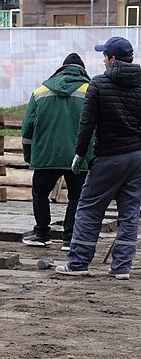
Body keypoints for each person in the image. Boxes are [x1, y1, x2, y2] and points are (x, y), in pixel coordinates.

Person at [57, 37, 141, 278]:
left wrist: (79, 154)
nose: (102, 60)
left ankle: (78, 263)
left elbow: (87, 125)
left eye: (104, 56)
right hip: (136, 158)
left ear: (112, 58)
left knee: (89, 208)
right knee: (129, 212)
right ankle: (122, 268)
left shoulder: (98, 84)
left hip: (109, 157)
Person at [21, 53, 92, 250]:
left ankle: (42, 234)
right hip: (80, 156)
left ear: (61, 69)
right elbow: (97, 127)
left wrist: (29, 155)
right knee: (77, 197)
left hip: (46, 156)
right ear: (82, 71)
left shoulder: (40, 92)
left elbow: (27, 128)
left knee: (40, 193)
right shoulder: (90, 91)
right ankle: (70, 239)